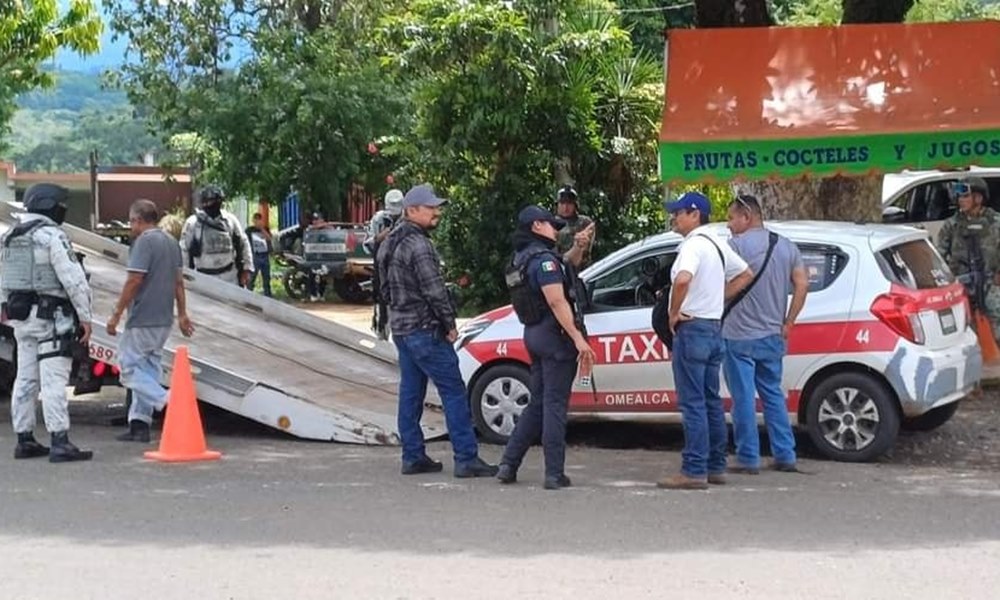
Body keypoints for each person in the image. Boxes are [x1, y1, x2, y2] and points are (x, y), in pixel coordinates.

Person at [377, 184, 498, 478]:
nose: (437, 212)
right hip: (425, 330)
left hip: (402, 330)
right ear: (412, 210)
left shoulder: (388, 242)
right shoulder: (419, 245)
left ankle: (413, 456)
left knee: (410, 393)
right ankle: (466, 458)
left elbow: (383, 290)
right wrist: (450, 325)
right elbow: (434, 291)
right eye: (431, 208)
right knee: (454, 392)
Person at [656, 192, 752, 490]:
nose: (674, 217)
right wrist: (716, 299)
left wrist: (673, 312)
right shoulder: (717, 244)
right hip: (713, 327)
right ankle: (715, 465)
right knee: (711, 400)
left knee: (693, 402)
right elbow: (746, 274)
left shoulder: (693, 245)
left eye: (679, 212)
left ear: (695, 214)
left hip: (693, 328)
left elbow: (682, 280)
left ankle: (694, 470)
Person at [497, 205, 595, 490]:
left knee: (538, 402)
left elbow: (565, 265)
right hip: (554, 338)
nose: (556, 229)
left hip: (534, 334)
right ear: (537, 226)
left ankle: (508, 464)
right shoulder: (544, 261)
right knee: (554, 405)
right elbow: (556, 300)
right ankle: (554, 473)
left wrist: (579, 248)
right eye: (551, 225)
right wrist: (578, 338)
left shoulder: (523, 258)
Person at [0, 183, 94, 462]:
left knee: (26, 378)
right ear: (48, 205)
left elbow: (2, 282)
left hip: (21, 320)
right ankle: (60, 441)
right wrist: (86, 317)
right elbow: (73, 279)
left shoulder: (8, 238)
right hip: (52, 320)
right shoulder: (52, 236)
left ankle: (24, 439)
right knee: (53, 380)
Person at [723, 194, 809, 474]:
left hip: (738, 335)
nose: (729, 225)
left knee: (744, 397)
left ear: (746, 216)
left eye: (731, 218)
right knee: (773, 394)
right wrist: (789, 321)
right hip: (774, 334)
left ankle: (748, 457)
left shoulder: (734, 247)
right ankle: (785, 454)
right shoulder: (785, 246)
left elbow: (719, 284)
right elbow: (802, 284)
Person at [106, 199, 196, 443]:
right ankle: (139, 425)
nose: (130, 225)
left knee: (128, 369)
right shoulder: (171, 243)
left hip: (143, 317)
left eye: (131, 221)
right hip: (164, 319)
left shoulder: (143, 242)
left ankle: (168, 400)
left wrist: (116, 314)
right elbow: (178, 283)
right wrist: (182, 314)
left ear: (137, 219)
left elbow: (134, 280)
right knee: (147, 370)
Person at [936, 176, 1000, 338]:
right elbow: (940, 256)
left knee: (995, 315)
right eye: (959, 196)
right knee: (961, 325)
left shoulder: (995, 222)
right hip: (960, 284)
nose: (960, 200)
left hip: (990, 282)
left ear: (978, 198)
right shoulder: (952, 224)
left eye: (965, 196)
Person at [180, 185, 253, 287]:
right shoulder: (193, 223)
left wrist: (247, 268)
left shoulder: (230, 220)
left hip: (230, 278)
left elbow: (243, 243)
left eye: (215, 201)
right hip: (203, 279)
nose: (212, 204)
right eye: (209, 201)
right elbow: (184, 251)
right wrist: (185, 276)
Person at [368, 189, 404, 339]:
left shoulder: (408, 219)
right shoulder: (379, 220)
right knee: (382, 305)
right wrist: (379, 238)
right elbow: (367, 244)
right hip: (383, 271)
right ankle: (381, 331)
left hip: (403, 271)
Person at [554, 185, 596, 268]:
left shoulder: (584, 222)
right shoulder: (550, 223)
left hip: (581, 269)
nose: (565, 207)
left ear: (575, 205)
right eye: (562, 203)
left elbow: (585, 250)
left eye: (569, 203)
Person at [245, 212, 273, 297]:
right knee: (252, 277)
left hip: (264, 256)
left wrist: (262, 229)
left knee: (266, 277)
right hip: (255, 256)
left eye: (259, 220)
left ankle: (268, 295)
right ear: (253, 221)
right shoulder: (249, 230)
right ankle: (248, 295)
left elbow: (269, 238)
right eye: (255, 220)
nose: (257, 222)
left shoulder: (265, 229)